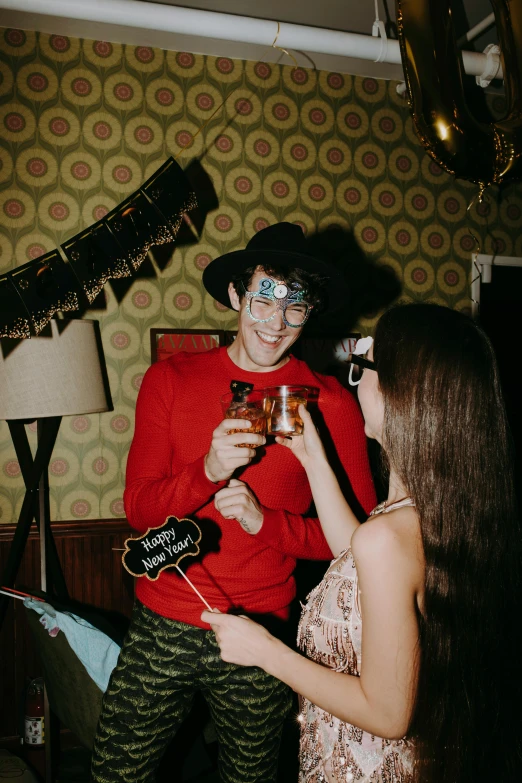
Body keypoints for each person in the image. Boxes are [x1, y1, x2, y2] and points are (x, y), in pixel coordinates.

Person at [91, 222, 377, 783]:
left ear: (310, 312)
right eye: (263, 299)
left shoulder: (333, 404)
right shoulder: (169, 380)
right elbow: (140, 510)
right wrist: (206, 472)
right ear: (234, 296)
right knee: (113, 773)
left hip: (264, 627)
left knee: (249, 777)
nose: (276, 323)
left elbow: (357, 542)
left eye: (295, 308)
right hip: (165, 616)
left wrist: (266, 523)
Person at [203, 303, 522, 783]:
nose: (355, 378)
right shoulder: (428, 508)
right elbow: (360, 555)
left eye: (364, 366)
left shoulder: (389, 537)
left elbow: (389, 713)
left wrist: (264, 650)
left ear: (400, 394)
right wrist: (315, 462)